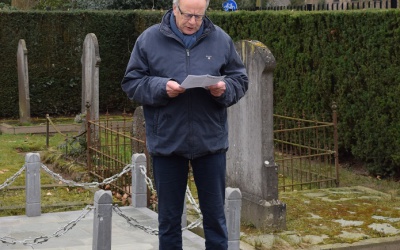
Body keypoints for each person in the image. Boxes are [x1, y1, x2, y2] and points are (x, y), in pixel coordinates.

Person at [121, 0, 248, 249]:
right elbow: (131, 83)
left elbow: (240, 80)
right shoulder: (148, 40)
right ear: (174, 7)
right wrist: (161, 87)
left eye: (199, 17)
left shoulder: (220, 39)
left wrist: (224, 89)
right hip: (168, 142)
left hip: (210, 142)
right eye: (188, 15)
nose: (193, 22)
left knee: (215, 220)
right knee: (168, 222)